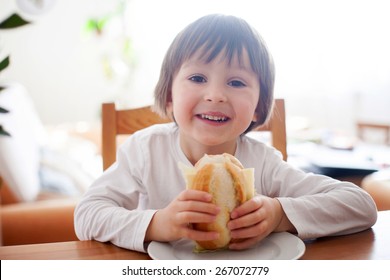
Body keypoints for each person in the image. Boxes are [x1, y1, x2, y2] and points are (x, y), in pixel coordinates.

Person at [74, 14, 377, 252]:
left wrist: (279, 215)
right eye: (197, 77)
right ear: (169, 97)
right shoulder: (145, 150)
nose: (216, 95)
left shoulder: (264, 162)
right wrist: (157, 223)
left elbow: (360, 205)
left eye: (236, 82)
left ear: (259, 108)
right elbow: (87, 214)